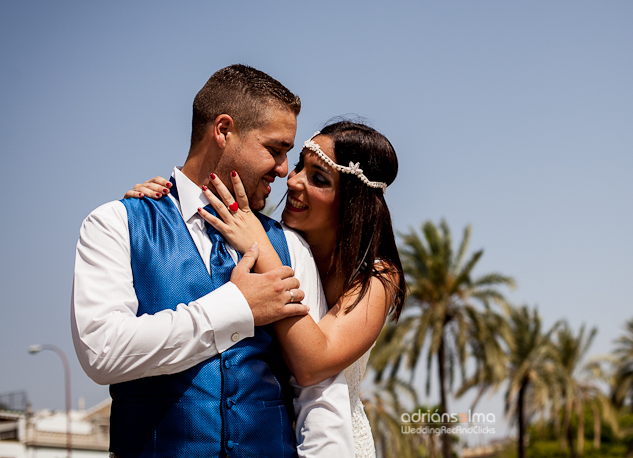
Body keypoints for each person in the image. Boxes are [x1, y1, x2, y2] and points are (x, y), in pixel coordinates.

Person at [71, 65, 354, 458]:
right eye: (275, 149)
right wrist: (237, 307)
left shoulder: (291, 246)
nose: (284, 170)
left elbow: (320, 397)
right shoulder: (115, 224)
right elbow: (103, 352)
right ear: (223, 131)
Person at [128, 119, 407, 457]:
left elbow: (314, 363)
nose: (293, 180)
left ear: (353, 201)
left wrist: (259, 243)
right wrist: (160, 204)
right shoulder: (285, 243)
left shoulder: (375, 276)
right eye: (301, 166)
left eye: (318, 178)